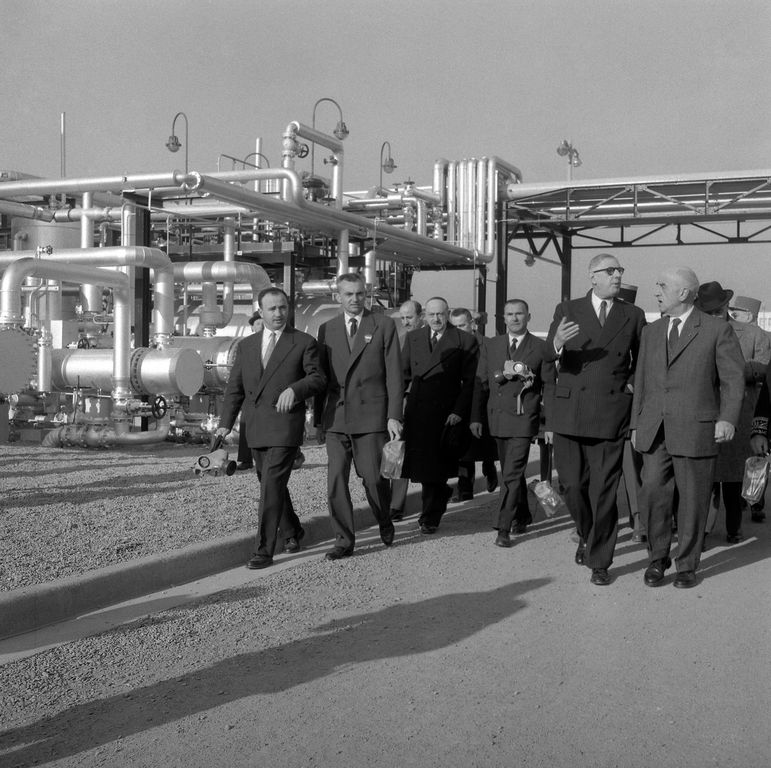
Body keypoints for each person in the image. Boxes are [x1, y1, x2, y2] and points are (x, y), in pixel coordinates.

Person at [632, 268, 744, 589]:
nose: (656, 291)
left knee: (694, 498)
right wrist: (636, 424)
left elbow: (732, 379)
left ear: (684, 293)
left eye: (662, 285)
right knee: (653, 491)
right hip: (655, 428)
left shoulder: (715, 330)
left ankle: (687, 565)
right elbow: (641, 382)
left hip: (696, 428)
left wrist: (727, 418)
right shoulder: (651, 332)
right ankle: (657, 558)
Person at [545, 253, 646, 586]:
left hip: (611, 410)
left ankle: (600, 561)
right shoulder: (568, 310)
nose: (617, 276)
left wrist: (632, 383)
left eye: (620, 270)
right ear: (592, 277)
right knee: (572, 485)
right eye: (610, 271)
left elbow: (641, 360)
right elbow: (547, 357)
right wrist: (558, 344)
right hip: (570, 410)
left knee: (604, 490)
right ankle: (587, 533)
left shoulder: (633, 315)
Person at [216, 287, 326, 569]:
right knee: (270, 484)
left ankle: (264, 550)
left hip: (285, 426)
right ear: (260, 311)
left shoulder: (303, 342)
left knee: (271, 486)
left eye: (283, 308)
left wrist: (296, 389)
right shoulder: (247, 345)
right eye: (272, 309)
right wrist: (224, 425)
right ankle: (293, 531)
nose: (278, 313)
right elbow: (235, 388)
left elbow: (317, 378)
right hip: (256, 428)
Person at [315, 273, 404, 559]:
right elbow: (321, 377)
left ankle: (384, 519)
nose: (355, 300)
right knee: (336, 480)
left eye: (360, 294)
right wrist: (318, 421)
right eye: (349, 294)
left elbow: (394, 375)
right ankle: (343, 540)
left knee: (374, 479)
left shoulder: (383, 324)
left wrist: (393, 416)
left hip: (371, 417)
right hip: (337, 418)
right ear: (337, 297)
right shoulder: (326, 329)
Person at [471, 299, 550, 547]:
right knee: (510, 473)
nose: (514, 318)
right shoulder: (491, 345)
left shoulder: (540, 347)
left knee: (512, 473)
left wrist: (550, 425)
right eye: (510, 314)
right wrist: (475, 417)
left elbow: (549, 386)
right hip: (497, 418)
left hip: (524, 420)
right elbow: (481, 383)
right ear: (502, 318)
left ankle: (503, 527)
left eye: (519, 314)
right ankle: (523, 514)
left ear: (529, 316)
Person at [696, 286, 770, 542]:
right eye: (709, 311)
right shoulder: (696, 331)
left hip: (738, 412)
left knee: (733, 477)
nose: (715, 315)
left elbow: (763, 369)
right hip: (705, 411)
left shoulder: (752, 334)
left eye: (719, 310)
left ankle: (733, 527)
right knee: (706, 477)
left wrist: (731, 370)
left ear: (726, 307)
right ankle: (702, 531)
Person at [402, 296, 478, 533]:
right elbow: (403, 374)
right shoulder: (413, 338)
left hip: (446, 414)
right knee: (424, 467)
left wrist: (458, 411)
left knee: (436, 466)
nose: (436, 319)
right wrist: (398, 407)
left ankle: (430, 517)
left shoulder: (464, 340)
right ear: (424, 315)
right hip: (418, 411)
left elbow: (470, 382)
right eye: (432, 314)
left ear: (448, 314)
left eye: (441, 314)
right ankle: (436, 502)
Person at [449, 307, 498, 501]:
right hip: (460, 400)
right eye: (454, 326)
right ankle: (465, 490)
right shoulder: (452, 346)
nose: (458, 330)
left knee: (484, 442)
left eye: (462, 325)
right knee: (462, 448)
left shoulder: (488, 344)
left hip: (483, 399)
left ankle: (489, 468)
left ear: (472, 324)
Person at [730, 295, 771, 522]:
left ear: (750, 315)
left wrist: (733, 372)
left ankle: (756, 501)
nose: (733, 315)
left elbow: (764, 369)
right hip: (734, 402)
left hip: (753, 402)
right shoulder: (727, 331)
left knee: (756, 456)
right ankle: (739, 498)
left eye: (738, 311)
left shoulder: (762, 337)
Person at [390, 299, 424, 521]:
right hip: (404, 402)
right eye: (402, 318)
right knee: (396, 452)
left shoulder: (430, 338)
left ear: (420, 317)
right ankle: (395, 505)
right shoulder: (401, 339)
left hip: (424, 403)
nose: (405, 322)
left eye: (409, 317)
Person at [236, 310, 263, 471]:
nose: (260, 326)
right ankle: (245, 459)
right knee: (245, 424)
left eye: (262, 323)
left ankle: (292, 455)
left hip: (270, 390)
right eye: (257, 323)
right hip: (250, 392)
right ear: (252, 327)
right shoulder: (245, 345)